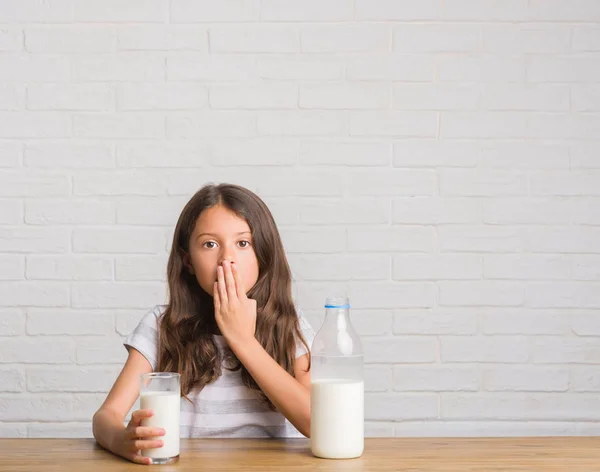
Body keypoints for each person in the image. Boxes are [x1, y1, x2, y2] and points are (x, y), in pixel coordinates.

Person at [92, 183, 314, 465]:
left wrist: (243, 339)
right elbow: (105, 416)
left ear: (263, 254)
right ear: (188, 260)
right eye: (210, 244)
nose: (227, 259)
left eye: (243, 243)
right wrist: (119, 439)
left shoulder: (290, 325)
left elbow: (316, 422)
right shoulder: (162, 326)